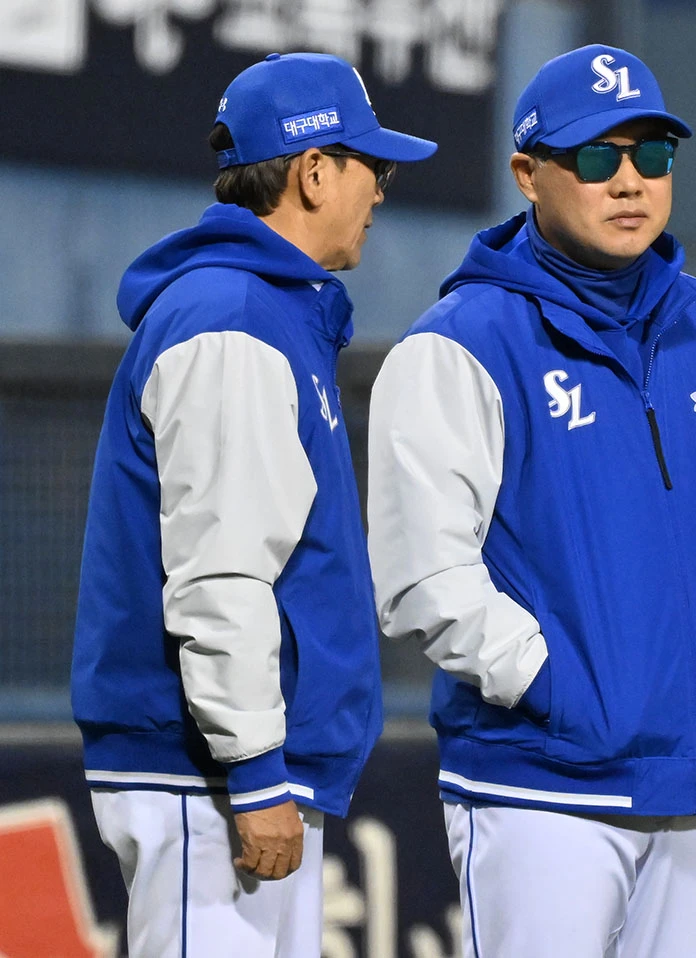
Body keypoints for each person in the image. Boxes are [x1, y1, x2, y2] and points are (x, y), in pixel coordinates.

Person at [368, 43, 696, 958]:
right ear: (528, 174)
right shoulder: (463, 341)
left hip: (692, 782)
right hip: (543, 786)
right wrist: (563, 691)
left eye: (653, 154)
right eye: (598, 155)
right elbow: (423, 576)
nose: (630, 181)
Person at [71, 52, 435, 957]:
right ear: (314, 171)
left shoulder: (265, 311)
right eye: (372, 166)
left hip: (232, 770)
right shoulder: (232, 319)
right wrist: (255, 767)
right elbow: (222, 572)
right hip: (208, 775)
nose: (380, 191)